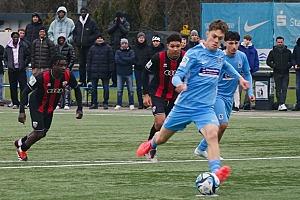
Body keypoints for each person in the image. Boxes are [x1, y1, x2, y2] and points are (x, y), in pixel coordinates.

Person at [136, 20, 250, 184]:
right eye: (214, 37)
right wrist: (179, 84)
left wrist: (240, 79)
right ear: (207, 35)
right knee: (162, 138)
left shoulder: (219, 55)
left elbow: (225, 66)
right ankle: (151, 143)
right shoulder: (193, 54)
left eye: (220, 38)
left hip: (205, 108)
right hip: (184, 106)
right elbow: (177, 74)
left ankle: (216, 173)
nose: (217, 41)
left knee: (212, 135)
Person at [194, 31, 255, 160]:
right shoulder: (219, 57)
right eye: (231, 43)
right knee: (223, 124)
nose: (234, 46)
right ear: (225, 43)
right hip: (216, 95)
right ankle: (212, 152)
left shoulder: (242, 56)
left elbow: (247, 73)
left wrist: (250, 92)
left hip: (229, 97)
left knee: (221, 127)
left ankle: (201, 148)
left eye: (236, 43)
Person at [15, 54, 83, 161]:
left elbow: (77, 89)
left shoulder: (68, 75)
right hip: (37, 105)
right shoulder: (42, 77)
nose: (63, 68)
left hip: (50, 107)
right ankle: (21, 150)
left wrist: (80, 108)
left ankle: (21, 142)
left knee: (43, 133)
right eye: (60, 65)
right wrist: (22, 111)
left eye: (65, 65)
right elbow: (25, 92)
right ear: (53, 66)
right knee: (39, 132)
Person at [142, 33, 185, 161]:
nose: (175, 49)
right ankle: (151, 148)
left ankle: (150, 144)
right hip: (158, 93)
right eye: (172, 46)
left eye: (178, 46)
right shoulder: (158, 57)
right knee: (160, 121)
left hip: (176, 95)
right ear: (167, 46)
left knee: (166, 124)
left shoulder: (186, 58)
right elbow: (145, 73)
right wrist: (146, 94)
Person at [73, 7, 100, 87]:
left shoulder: (92, 22)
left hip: (89, 47)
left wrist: (89, 39)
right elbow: (74, 33)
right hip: (80, 47)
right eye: (81, 12)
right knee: (81, 65)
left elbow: (97, 33)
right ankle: (81, 80)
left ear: (87, 12)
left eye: (84, 12)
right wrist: (76, 39)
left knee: (89, 64)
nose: (83, 13)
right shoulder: (78, 23)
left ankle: (90, 80)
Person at [87, 34, 114, 109]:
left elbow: (111, 60)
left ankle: (105, 103)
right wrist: (89, 70)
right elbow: (89, 60)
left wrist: (110, 70)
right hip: (94, 71)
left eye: (101, 38)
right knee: (93, 89)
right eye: (98, 38)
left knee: (106, 88)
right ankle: (94, 103)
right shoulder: (92, 48)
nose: (99, 39)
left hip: (105, 71)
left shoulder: (108, 48)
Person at [3, 32, 30, 109]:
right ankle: (15, 102)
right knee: (13, 87)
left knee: (23, 86)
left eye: (17, 37)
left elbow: (28, 56)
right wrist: (8, 65)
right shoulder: (8, 47)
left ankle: (23, 103)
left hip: (21, 69)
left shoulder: (23, 46)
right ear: (12, 38)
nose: (16, 39)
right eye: (14, 37)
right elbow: (5, 57)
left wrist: (24, 64)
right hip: (12, 70)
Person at [233, 34, 259, 111]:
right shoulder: (239, 48)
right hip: (239, 72)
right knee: (238, 89)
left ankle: (247, 103)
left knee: (248, 86)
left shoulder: (253, 49)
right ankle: (237, 104)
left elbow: (256, 60)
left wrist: (254, 69)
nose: (247, 41)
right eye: (245, 39)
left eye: (248, 40)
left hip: (249, 71)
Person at [266, 36, 292, 111]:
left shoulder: (288, 51)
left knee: (284, 89)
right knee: (278, 89)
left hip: (285, 73)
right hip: (276, 73)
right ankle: (280, 104)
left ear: (283, 42)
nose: (280, 43)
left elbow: (291, 60)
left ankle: (282, 103)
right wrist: (274, 66)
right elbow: (268, 61)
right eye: (278, 42)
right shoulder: (272, 52)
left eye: (281, 42)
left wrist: (288, 66)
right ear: (276, 42)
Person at [107, 11, 130, 87]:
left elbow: (126, 31)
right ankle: (114, 81)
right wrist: (116, 24)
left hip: (123, 48)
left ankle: (124, 82)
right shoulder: (112, 23)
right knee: (113, 65)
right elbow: (109, 31)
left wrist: (119, 24)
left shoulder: (125, 23)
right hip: (113, 46)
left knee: (123, 64)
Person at [114, 38, 136, 110]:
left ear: (127, 44)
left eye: (125, 43)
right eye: (123, 43)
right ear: (121, 44)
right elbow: (117, 61)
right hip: (120, 73)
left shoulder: (131, 51)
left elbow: (132, 59)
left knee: (130, 90)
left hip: (129, 73)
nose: (124, 45)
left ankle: (131, 104)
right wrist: (126, 61)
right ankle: (118, 104)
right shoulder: (117, 52)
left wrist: (123, 59)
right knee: (119, 90)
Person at [132, 32, 151, 109]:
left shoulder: (148, 47)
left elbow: (150, 58)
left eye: (142, 37)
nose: (141, 39)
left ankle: (147, 103)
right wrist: (136, 63)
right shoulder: (134, 48)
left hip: (146, 70)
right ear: (137, 38)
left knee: (147, 86)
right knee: (138, 87)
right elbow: (132, 58)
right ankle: (140, 102)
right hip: (137, 69)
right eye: (140, 37)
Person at [55, 34, 75, 110]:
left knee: (66, 86)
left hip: (66, 69)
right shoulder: (56, 47)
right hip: (58, 70)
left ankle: (67, 103)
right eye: (59, 38)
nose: (61, 39)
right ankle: (58, 103)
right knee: (57, 86)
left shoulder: (69, 47)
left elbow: (72, 58)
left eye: (62, 38)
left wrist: (68, 68)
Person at [291, 38, 300, 111]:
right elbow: (293, 58)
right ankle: (298, 105)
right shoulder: (296, 47)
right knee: (298, 88)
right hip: (298, 71)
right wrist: (295, 64)